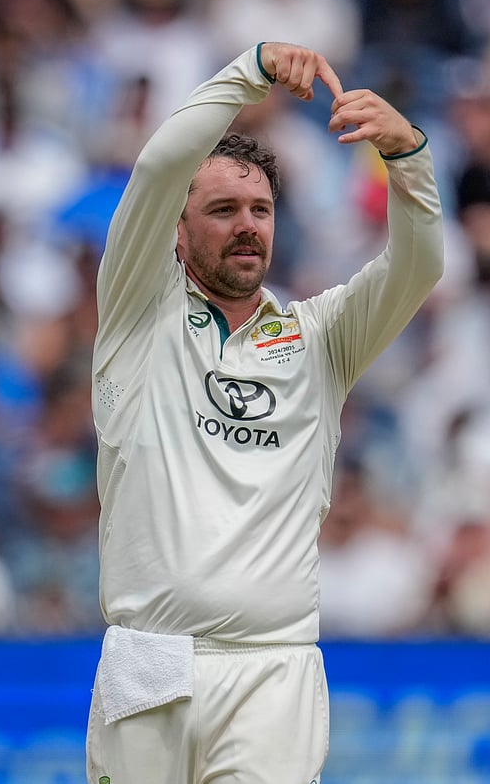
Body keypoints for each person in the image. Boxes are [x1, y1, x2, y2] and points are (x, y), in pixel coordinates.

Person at [86, 42, 443, 782]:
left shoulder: (320, 337)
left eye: (260, 209)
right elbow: (157, 169)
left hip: (272, 669)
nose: (247, 224)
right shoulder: (135, 313)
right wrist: (246, 71)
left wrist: (407, 155)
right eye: (222, 209)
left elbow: (418, 266)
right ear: (177, 233)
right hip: (148, 657)